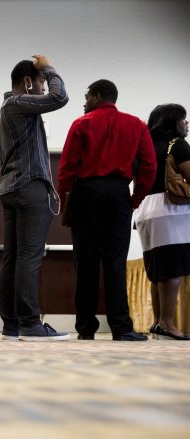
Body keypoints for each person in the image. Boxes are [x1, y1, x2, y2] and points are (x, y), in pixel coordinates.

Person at [58, 79, 156, 341]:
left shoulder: (81, 123)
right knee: (115, 263)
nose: (84, 102)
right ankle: (121, 328)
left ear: (98, 96)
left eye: (87, 96)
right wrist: (134, 200)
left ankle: (85, 329)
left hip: (86, 193)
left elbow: (67, 167)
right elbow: (149, 167)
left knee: (86, 263)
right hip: (118, 195)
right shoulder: (136, 125)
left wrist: (66, 199)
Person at [0, 55, 69, 341]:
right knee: (29, 257)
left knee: (12, 258)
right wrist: (49, 67)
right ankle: (30, 323)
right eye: (39, 82)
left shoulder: (2, 111)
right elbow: (59, 97)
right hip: (29, 187)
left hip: (11, 187)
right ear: (28, 82)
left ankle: (11, 325)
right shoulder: (17, 103)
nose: (43, 87)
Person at [135, 104, 190, 340]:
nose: (186, 123)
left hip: (145, 210)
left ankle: (159, 323)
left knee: (157, 271)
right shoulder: (178, 145)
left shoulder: (144, 146)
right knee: (173, 269)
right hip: (171, 209)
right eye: (183, 119)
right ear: (171, 122)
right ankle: (168, 323)